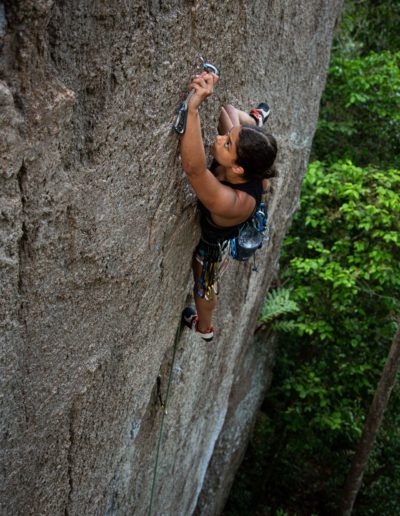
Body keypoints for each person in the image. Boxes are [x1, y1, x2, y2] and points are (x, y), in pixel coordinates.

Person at [180, 71, 277, 341]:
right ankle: (254, 122)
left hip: (216, 236)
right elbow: (228, 111)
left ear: (237, 168)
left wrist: (192, 109)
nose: (219, 138)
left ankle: (204, 329)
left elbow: (195, 169)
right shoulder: (241, 163)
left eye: (228, 142)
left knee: (204, 279)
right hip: (250, 177)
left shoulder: (231, 202)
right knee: (233, 114)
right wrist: (208, 86)